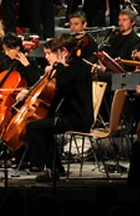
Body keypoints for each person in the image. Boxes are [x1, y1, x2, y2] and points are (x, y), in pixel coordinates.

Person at [24, 34, 93, 182]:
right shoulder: (73, 66)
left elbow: (61, 84)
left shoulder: (75, 68)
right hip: (70, 116)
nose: (48, 58)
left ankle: (53, 169)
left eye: (52, 53)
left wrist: (58, 67)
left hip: (78, 119)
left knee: (33, 128)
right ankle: (56, 168)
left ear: (64, 52)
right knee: (43, 126)